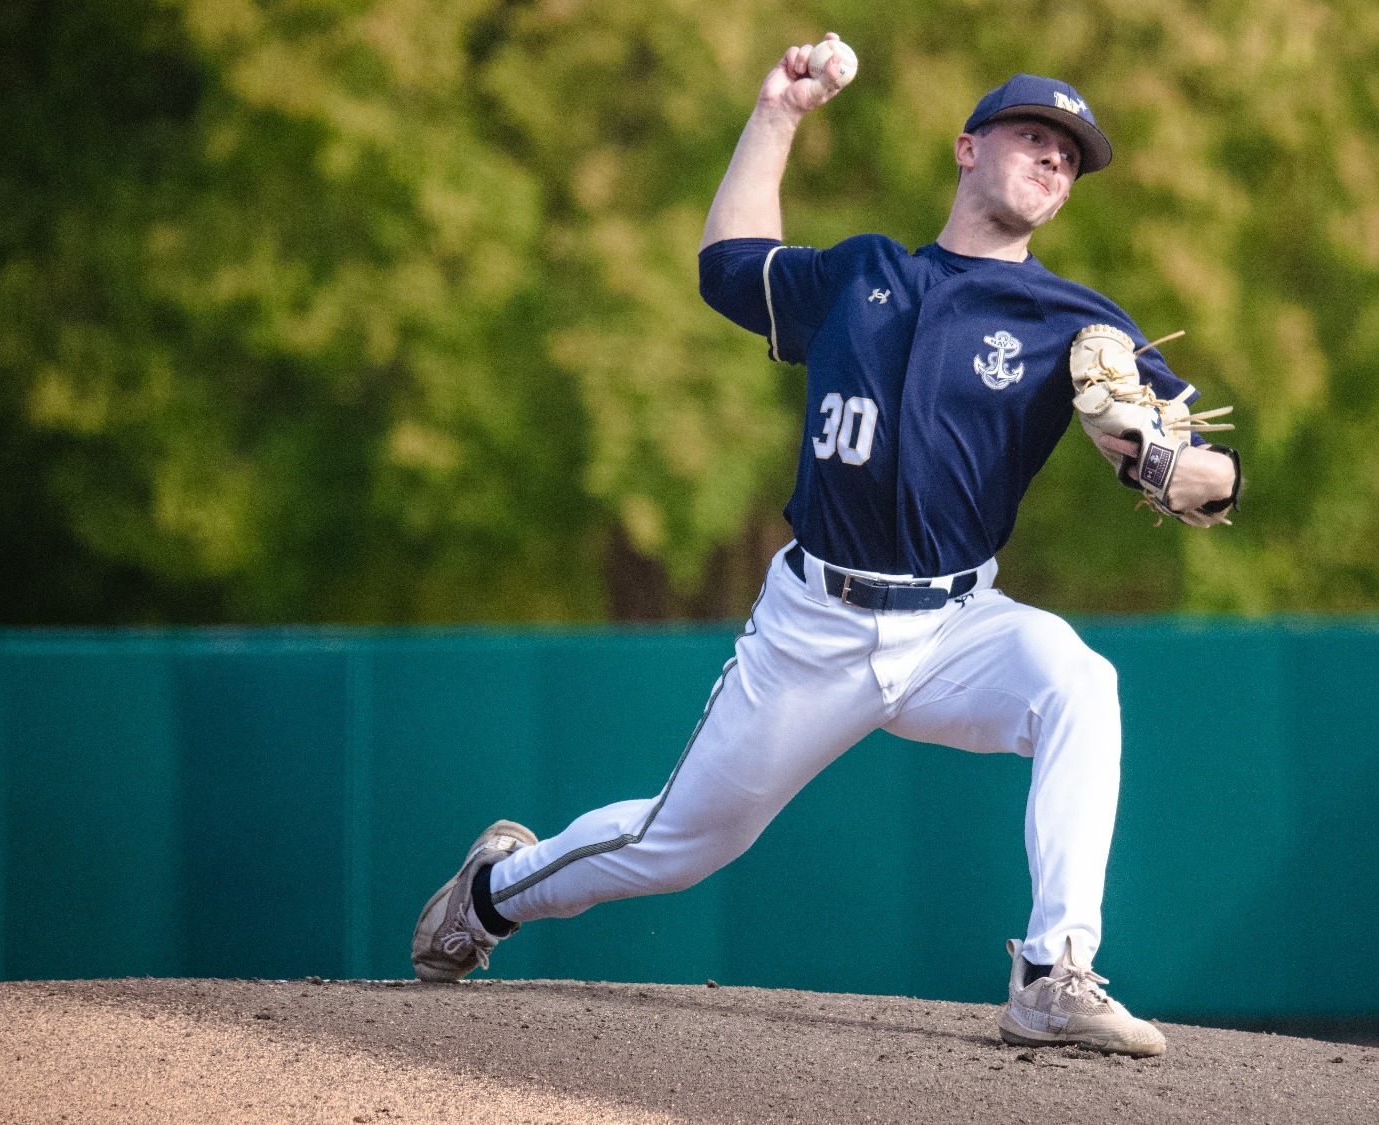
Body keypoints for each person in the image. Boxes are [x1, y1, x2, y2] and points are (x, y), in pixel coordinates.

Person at [411, 35, 1241, 1058]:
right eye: (1031, 138)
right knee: (677, 845)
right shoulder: (862, 274)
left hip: (954, 625)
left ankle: (1052, 970)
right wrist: (778, 115)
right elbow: (725, 267)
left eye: (1067, 158)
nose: (1050, 163)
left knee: (1078, 681)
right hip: (814, 624)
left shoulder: (1075, 322)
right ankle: (489, 894)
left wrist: (1164, 464)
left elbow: (1210, 472)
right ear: (965, 149)